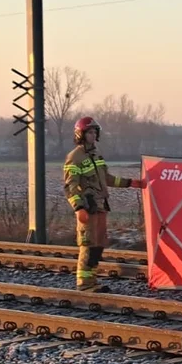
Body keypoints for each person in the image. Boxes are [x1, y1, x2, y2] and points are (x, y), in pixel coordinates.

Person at [64, 117, 146, 292]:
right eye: (89, 132)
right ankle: (84, 284)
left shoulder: (96, 155)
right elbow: (70, 186)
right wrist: (78, 208)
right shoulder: (74, 157)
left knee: (98, 245)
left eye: (95, 132)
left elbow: (107, 178)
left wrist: (130, 183)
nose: (93, 135)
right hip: (88, 207)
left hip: (101, 206)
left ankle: (92, 280)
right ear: (80, 134)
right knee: (88, 244)